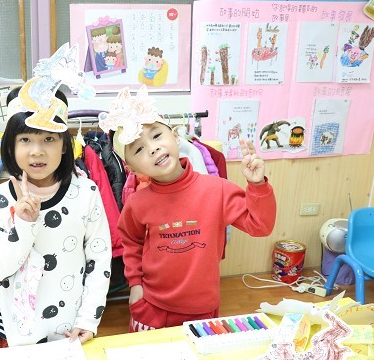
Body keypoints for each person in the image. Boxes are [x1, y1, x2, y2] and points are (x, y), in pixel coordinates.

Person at [99, 85, 276, 332]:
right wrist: (136, 285)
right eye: (139, 149)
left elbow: (260, 226)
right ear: (132, 169)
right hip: (151, 306)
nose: (152, 148)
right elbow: (131, 242)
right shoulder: (137, 203)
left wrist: (257, 185)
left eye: (157, 136)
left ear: (175, 137)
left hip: (201, 309)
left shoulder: (217, 190)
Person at [0, 86, 111, 349]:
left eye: (49, 139)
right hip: (13, 330)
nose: (37, 151)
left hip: (69, 327)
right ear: (11, 146)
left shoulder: (86, 192)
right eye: (25, 139)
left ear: (64, 145)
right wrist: (24, 224)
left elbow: (99, 261)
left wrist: (89, 318)